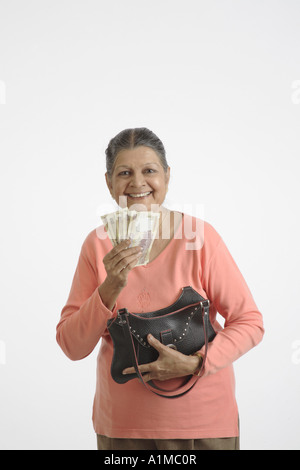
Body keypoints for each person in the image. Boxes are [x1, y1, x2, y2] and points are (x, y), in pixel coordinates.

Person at [56, 127, 264, 451]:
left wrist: (197, 363)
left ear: (167, 176)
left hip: (203, 423)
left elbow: (250, 322)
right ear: (109, 183)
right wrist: (110, 285)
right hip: (123, 427)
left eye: (149, 171)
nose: (138, 184)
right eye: (125, 173)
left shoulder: (200, 237)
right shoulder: (96, 246)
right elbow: (72, 345)